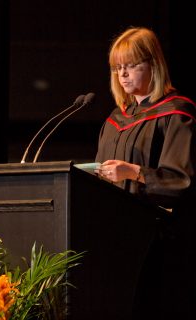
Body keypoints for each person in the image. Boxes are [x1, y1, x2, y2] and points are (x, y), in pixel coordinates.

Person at [95, 26, 196, 319]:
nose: (123, 75)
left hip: (161, 244)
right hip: (116, 239)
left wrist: (135, 173)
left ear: (154, 65)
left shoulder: (177, 114)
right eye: (117, 68)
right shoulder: (115, 120)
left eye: (131, 66)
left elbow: (181, 182)